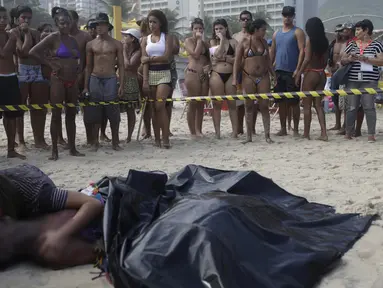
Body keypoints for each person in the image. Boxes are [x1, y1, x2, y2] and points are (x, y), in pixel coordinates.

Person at [0, 164, 103, 268]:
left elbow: (92, 203)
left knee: (54, 251)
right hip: (13, 188)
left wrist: (61, 235)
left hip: (31, 179)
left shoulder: (39, 195)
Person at [30, 7, 84, 160]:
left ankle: (72, 147)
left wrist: (78, 68)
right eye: (62, 23)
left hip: (72, 80)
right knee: (55, 115)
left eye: (68, 23)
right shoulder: (53, 38)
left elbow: (76, 59)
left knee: (71, 114)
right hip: (58, 79)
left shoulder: (73, 40)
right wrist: (49, 64)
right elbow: (33, 52)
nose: (65, 26)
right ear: (57, 24)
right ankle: (55, 150)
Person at [83, 13, 124, 151]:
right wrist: (85, 86)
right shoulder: (90, 44)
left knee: (113, 111)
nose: (98, 27)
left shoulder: (117, 44)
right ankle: (95, 142)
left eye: (101, 24)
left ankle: (115, 142)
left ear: (107, 26)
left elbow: (122, 66)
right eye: (96, 25)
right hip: (95, 77)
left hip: (110, 78)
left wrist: (121, 85)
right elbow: (88, 67)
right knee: (95, 110)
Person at [10, 5, 48, 149]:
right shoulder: (13, 32)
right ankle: (21, 140)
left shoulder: (36, 33)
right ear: (17, 18)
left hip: (36, 69)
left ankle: (39, 138)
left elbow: (39, 52)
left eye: (29, 18)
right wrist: (26, 34)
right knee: (20, 107)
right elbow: (23, 52)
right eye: (23, 17)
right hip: (22, 69)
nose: (26, 20)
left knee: (38, 107)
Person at [233, 19, 275, 144]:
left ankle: (267, 135)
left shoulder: (263, 42)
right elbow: (237, 62)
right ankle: (248, 136)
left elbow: (268, 60)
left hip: (263, 76)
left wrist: (273, 74)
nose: (264, 32)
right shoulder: (244, 42)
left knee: (264, 106)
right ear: (256, 30)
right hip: (248, 76)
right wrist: (235, 78)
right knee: (248, 105)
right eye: (263, 30)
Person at [341, 19, 383, 143]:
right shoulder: (352, 44)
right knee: (351, 107)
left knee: (369, 107)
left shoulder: (376, 44)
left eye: (359, 29)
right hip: (352, 80)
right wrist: (349, 59)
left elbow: (381, 60)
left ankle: (371, 134)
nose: (356, 32)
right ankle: (348, 132)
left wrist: (367, 59)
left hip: (369, 81)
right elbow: (342, 60)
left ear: (366, 30)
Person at [270, 6, 305, 137]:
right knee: (281, 102)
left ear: (293, 16)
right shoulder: (276, 33)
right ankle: (283, 128)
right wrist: (270, 68)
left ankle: (295, 129)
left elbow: (302, 50)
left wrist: (298, 69)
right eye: (285, 15)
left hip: (292, 71)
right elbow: (272, 51)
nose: (287, 18)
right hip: (279, 71)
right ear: (282, 16)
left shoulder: (298, 32)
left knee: (294, 102)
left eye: (289, 15)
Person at [141, 10, 173, 148]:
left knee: (160, 105)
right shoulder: (144, 40)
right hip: (151, 73)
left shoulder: (168, 37)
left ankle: (165, 138)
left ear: (160, 23)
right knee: (153, 108)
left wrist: (149, 58)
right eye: (150, 22)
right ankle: (157, 139)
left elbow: (167, 57)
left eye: (154, 21)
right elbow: (143, 62)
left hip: (164, 72)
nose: (152, 24)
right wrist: (145, 80)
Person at [295, 17, 329, 141]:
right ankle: (324, 133)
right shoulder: (325, 41)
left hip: (311, 72)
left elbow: (307, 59)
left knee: (307, 105)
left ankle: (306, 133)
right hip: (321, 73)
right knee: (319, 105)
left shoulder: (310, 41)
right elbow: (326, 60)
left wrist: (298, 72)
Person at [0, 6, 25, 159]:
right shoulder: (11, 36)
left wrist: (25, 36)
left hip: (11, 77)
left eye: (4, 18)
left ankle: (11, 149)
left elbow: (22, 53)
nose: (2, 21)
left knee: (11, 115)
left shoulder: (11, 35)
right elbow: (3, 54)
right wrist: (13, 38)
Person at [209, 18, 238, 139]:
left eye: (221, 28)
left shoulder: (234, 42)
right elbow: (217, 55)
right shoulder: (212, 42)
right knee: (217, 104)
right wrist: (221, 41)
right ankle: (217, 133)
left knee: (232, 104)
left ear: (226, 28)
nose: (218, 31)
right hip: (217, 73)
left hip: (230, 74)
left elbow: (237, 60)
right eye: (216, 29)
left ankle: (235, 132)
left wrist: (226, 59)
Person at [184, 18, 210, 139]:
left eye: (200, 29)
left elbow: (209, 59)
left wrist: (208, 66)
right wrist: (199, 40)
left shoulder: (206, 44)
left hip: (203, 74)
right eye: (196, 29)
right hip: (192, 73)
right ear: (192, 30)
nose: (198, 31)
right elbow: (195, 54)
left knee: (201, 103)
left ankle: (199, 129)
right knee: (192, 103)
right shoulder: (188, 41)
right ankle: (192, 131)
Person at [233, 10, 256, 135]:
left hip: (252, 73)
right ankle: (239, 128)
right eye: (243, 19)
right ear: (240, 20)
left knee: (253, 102)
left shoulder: (255, 36)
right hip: (239, 72)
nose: (245, 21)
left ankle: (252, 129)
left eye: (247, 19)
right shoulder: (235, 36)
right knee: (239, 103)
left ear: (251, 20)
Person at [121, 28, 141, 143]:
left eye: (126, 36)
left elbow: (128, 65)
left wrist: (123, 51)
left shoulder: (138, 52)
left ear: (132, 39)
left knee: (130, 110)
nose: (124, 39)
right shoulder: (126, 49)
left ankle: (129, 136)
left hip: (131, 81)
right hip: (122, 79)